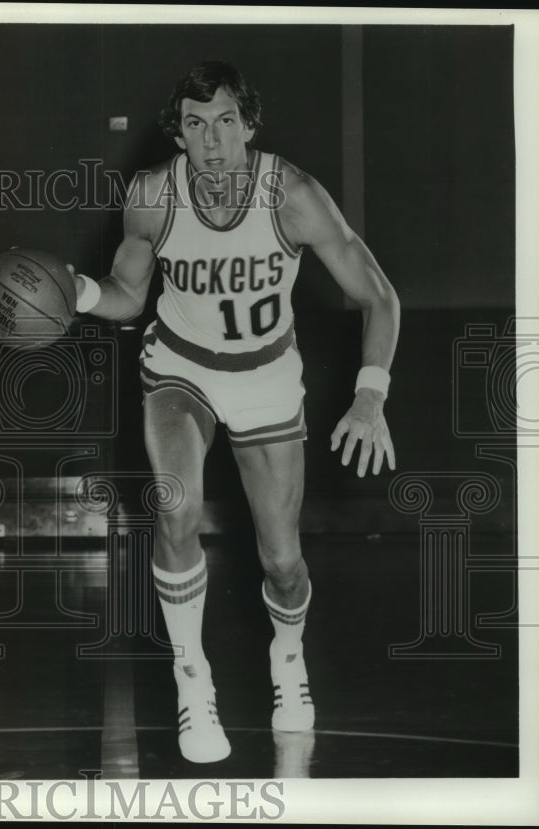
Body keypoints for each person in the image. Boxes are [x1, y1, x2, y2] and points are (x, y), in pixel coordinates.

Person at [71, 61, 399, 762]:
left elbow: (379, 296)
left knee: (282, 558)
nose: (212, 139)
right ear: (179, 133)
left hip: (266, 377)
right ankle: (193, 678)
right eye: (195, 123)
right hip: (180, 368)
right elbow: (128, 296)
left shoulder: (294, 196)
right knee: (177, 505)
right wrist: (81, 297)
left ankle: (289, 656)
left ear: (249, 125)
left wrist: (370, 393)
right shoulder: (154, 195)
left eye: (225, 121)